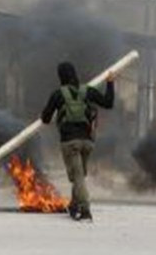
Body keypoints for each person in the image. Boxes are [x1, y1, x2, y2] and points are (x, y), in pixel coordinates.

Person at [40, 62, 114, 221]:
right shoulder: (88, 91)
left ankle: (85, 209)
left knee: (78, 177)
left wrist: (52, 110)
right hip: (87, 142)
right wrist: (110, 82)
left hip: (70, 142)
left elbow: (45, 119)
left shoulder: (58, 94)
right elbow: (108, 103)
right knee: (80, 175)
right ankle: (74, 205)